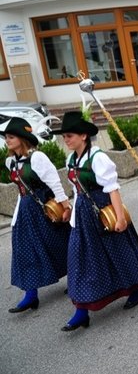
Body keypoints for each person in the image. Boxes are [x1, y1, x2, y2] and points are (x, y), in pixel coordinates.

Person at [53, 111, 138, 331]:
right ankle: (81, 311)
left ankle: (136, 289)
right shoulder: (71, 160)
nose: (66, 140)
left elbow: (112, 189)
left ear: (83, 136)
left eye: (70, 135)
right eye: (64, 136)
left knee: (118, 251)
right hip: (82, 215)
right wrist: (72, 213)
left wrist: (120, 218)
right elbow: (76, 190)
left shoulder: (98, 158)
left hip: (102, 211)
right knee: (79, 259)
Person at [2, 117, 72, 313]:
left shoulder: (37, 158)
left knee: (58, 244)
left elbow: (54, 182)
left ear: (22, 139)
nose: (7, 140)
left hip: (45, 209)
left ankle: (75, 278)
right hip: (25, 211)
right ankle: (30, 295)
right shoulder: (11, 162)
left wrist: (66, 207)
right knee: (25, 250)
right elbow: (21, 190)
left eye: (11, 137)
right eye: (6, 137)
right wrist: (16, 216)